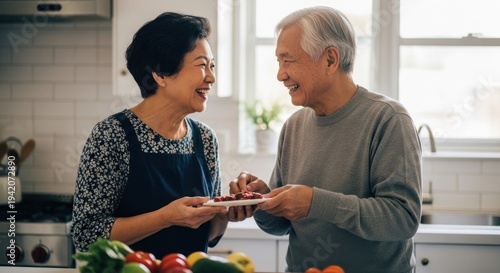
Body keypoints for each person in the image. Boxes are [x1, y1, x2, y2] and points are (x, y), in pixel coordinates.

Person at [230, 6, 422, 273]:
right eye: (278, 62)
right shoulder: (293, 126)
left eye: (288, 60)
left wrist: (315, 202)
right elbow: (281, 225)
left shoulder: (388, 119)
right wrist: (260, 202)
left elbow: (402, 218)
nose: (280, 74)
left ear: (330, 59)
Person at [71, 12, 233, 258]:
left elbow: (208, 237)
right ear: (161, 74)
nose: (211, 77)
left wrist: (225, 214)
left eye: (212, 66)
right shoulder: (112, 136)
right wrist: (165, 218)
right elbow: (86, 235)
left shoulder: (205, 139)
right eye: (202, 65)